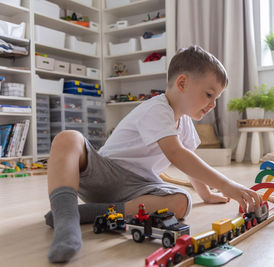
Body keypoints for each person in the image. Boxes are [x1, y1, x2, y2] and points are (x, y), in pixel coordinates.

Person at [45, 45, 262, 263]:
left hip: (138, 189)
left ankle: (92, 212)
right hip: (105, 174)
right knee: (68, 137)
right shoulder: (157, 108)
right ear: (182, 83)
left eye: (216, 98)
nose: (213, 105)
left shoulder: (185, 122)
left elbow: (190, 165)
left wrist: (206, 195)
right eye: (209, 95)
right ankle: (66, 218)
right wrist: (226, 185)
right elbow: (177, 154)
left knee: (181, 201)